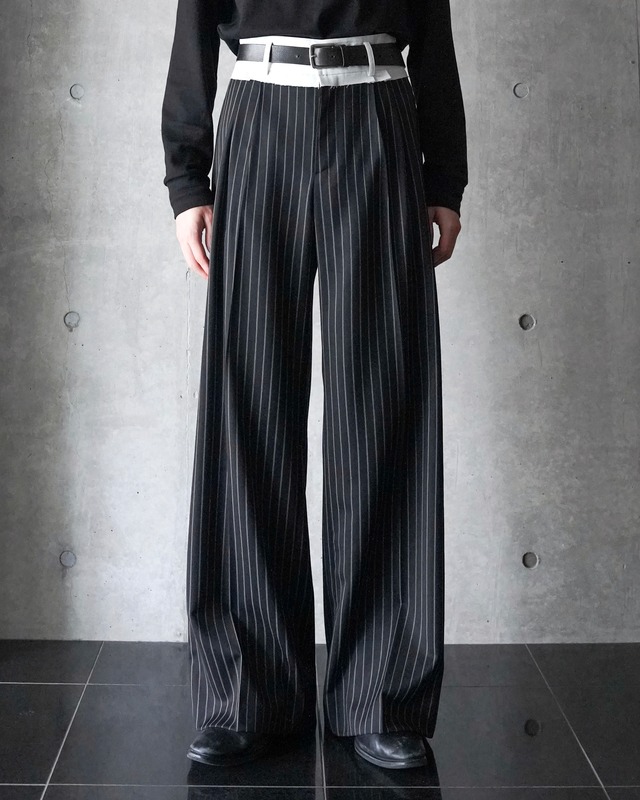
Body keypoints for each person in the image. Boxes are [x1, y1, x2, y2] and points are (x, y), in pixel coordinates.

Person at [161, 0, 468, 772]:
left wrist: (445, 174)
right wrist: (188, 180)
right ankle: (246, 690)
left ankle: (382, 693)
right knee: (249, 408)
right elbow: (195, 25)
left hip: (378, 114)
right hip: (261, 114)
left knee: (383, 406)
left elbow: (432, 29)